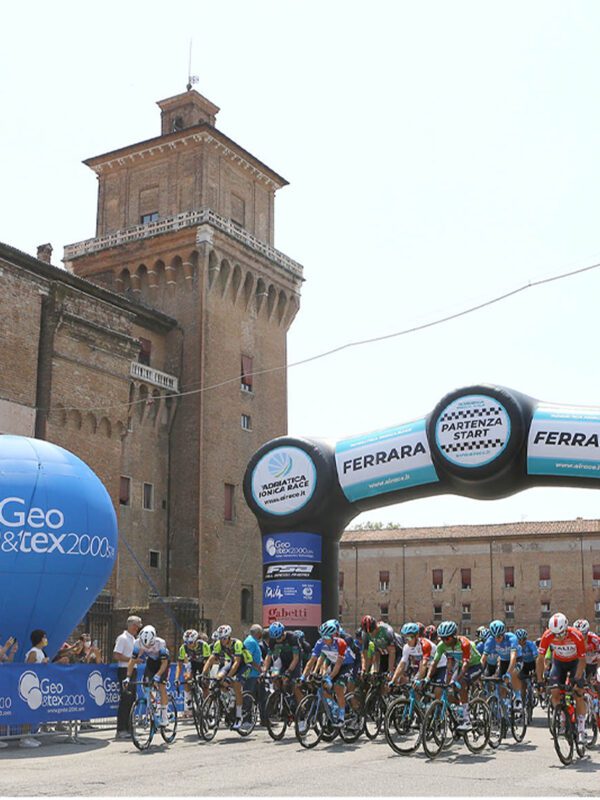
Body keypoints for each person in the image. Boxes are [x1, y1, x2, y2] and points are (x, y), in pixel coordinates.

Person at [536, 612, 587, 745]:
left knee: (578, 693)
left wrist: (577, 678)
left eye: (561, 633)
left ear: (566, 628)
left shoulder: (576, 635)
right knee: (554, 692)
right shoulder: (547, 635)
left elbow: (582, 660)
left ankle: (581, 729)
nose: (558, 637)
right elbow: (540, 659)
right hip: (559, 663)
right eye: (555, 634)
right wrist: (539, 680)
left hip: (575, 662)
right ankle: (563, 718)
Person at [425, 620, 482, 731]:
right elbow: (434, 663)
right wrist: (427, 678)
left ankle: (466, 720)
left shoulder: (464, 643)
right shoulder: (442, 645)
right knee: (447, 688)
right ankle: (460, 708)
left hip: (474, 666)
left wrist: (456, 681)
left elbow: (466, 665)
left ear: (454, 636)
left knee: (461, 683)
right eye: (442, 638)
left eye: (447, 638)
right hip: (460, 666)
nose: (444, 641)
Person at [202, 625, 253, 731]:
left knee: (237, 685)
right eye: (221, 638)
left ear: (229, 637)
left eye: (224, 638)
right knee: (218, 679)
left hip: (245, 664)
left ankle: (239, 716)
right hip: (232, 663)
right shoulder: (218, 644)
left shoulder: (237, 643)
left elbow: (237, 663)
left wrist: (229, 677)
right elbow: (210, 659)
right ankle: (230, 697)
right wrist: (203, 674)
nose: (222, 641)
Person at [123, 624, 170, 728]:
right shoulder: (137, 642)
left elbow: (164, 663)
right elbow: (132, 661)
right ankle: (153, 704)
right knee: (145, 685)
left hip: (162, 662)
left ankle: (164, 716)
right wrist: (127, 677)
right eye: (146, 646)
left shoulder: (160, 643)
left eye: (150, 645)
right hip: (151, 662)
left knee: (161, 686)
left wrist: (158, 675)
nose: (148, 647)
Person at [112, 614, 142, 739]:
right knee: (125, 699)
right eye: (136, 626)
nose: (137, 628)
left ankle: (129, 727)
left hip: (133, 669)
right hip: (124, 670)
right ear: (131, 625)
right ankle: (121, 729)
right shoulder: (122, 638)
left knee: (131, 699)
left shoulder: (134, 639)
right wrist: (131, 660)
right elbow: (116, 655)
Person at [20, 630, 49, 748]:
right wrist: (42, 663)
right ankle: (24, 737)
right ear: (39, 639)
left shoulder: (41, 652)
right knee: (28, 712)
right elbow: (28, 668)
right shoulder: (33, 652)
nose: (46, 639)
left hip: (38, 686)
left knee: (34, 712)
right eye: (44, 637)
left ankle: (30, 734)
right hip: (30, 686)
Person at [174, 629, 211, 715]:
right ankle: (189, 700)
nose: (189, 645)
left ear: (196, 640)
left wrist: (203, 674)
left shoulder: (203, 645)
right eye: (186, 642)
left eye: (190, 642)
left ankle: (208, 708)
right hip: (193, 663)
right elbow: (179, 665)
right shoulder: (183, 648)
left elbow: (208, 662)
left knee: (205, 685)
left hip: (204, 664)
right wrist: (176, 678)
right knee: (187, 678)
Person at [243, 624, 264, 721]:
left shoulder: (254, 641)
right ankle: (246, 719)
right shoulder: (250, 642)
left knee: (260, 697)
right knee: (248, 697)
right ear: (258, 633)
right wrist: (259, 668)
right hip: (251, 674)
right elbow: (249, 659)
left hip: (255, 674)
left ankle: (264, 719)